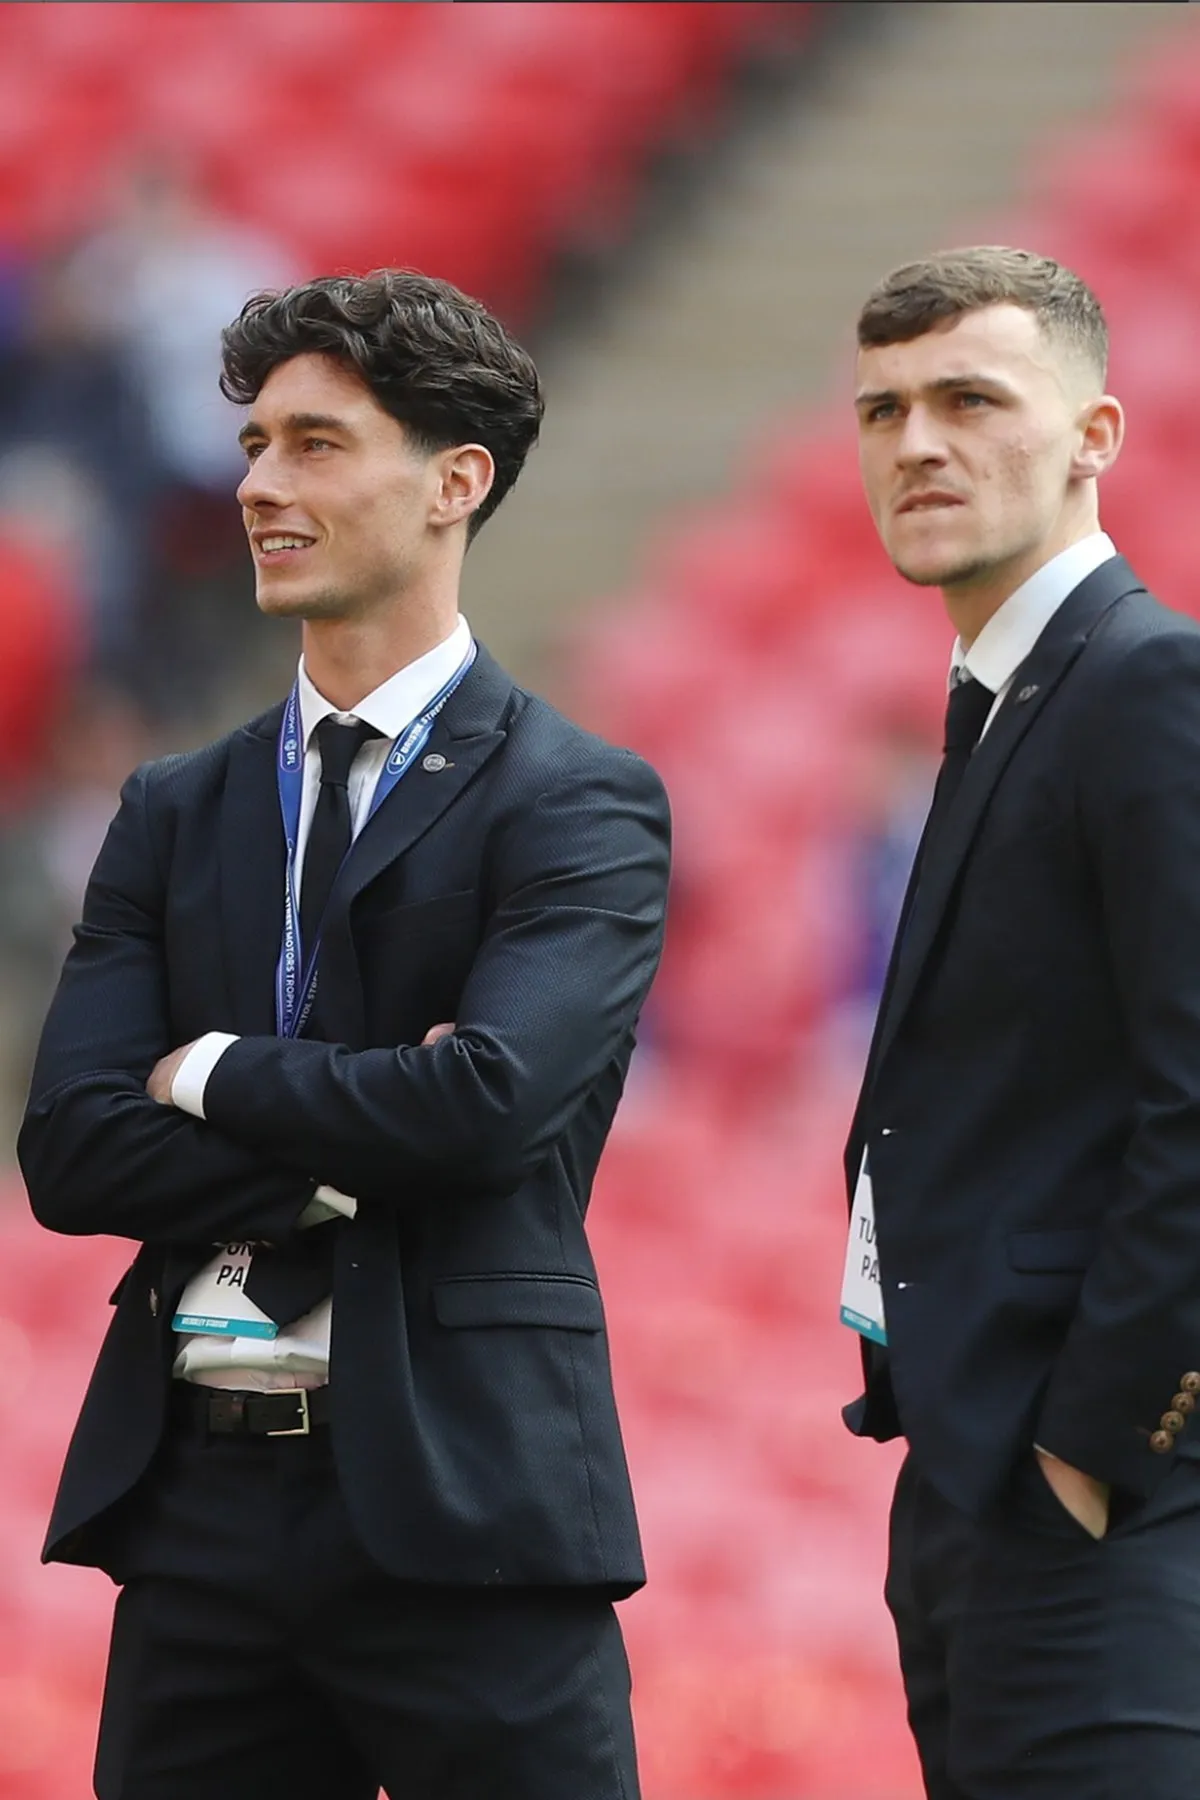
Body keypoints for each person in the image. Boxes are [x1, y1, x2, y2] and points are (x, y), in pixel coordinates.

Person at [18, 269, 671, 1800]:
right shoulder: (174, 807)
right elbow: (67, 1145)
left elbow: (490, 1106)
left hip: (471, 1506)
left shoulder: (577, 801)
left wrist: (217, 1074)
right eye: (253, 445)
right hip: (197, 1514)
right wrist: (356, 1142)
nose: (257, 485)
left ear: (456, 483)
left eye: (315, 444)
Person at [841, 245, 1200, 1798]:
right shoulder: (1011, 694)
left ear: (1094, 436)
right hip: (976, 1481)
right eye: (885, 409)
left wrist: (1096, 1450)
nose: (919, 442)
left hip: (1102, 1501)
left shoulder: (1146, 682)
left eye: (971, 399)